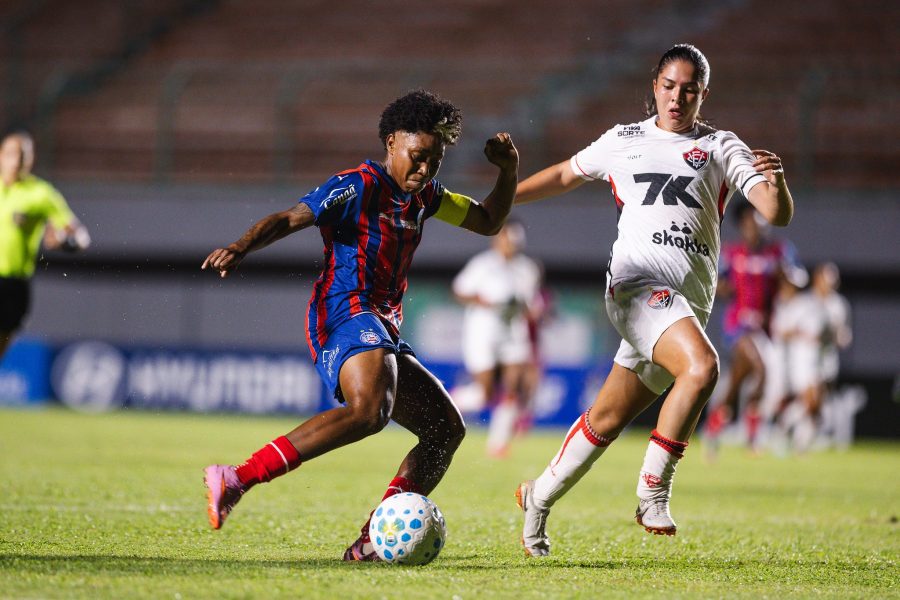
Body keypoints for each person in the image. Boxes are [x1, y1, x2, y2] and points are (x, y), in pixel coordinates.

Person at [201, 90, 519, 561]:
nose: (425, 169)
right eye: (417, 156)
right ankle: (238, 477)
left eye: (435, 160)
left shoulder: (427, 196)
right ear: (392, 142)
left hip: (383, 322)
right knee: (371, 409)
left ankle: (375, 538)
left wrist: (508, 171)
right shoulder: (359, 184)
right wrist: (242, 245)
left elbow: (489, 221)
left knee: (444, 429)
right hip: (343, 308)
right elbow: (292, 217)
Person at [511, 44, 794, 556]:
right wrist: (500, 199)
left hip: (684, 306)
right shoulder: (624, 140)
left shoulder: (720, 146)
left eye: (689, 88)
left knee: (606, 419)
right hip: (636, 287)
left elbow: (775, 213)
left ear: (703, 93)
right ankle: (652, 491)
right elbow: (563, 174)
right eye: (669, 85)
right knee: (703, 369)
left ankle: (538, 496)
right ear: (654, 86)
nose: (677, 97)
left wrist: (778, 185)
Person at [703, 200, 801, 454]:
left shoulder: (779, 252)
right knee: (762, 367)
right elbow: (717, 286)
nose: (753, 228)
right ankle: (752, 434)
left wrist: (785, 279)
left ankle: (715, 424)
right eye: (747, 222)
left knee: (739, 379)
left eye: (757, 221)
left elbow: (795, 284)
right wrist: (724, 288)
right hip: (739, 326)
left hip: (765, 327)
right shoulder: (732, 254)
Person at [451, 219, 543, 457]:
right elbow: (460, 290)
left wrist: (531, 309)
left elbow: (532, 304)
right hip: (483, 330)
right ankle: (452, 401)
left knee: (514, 386)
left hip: (513, 330)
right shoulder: (482, 264)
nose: (509, 245)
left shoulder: (527, 268)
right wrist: (480, 300)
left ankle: (498, 444)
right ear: (497, 240)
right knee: (486, 394)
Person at [0, 131, 90, 361]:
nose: (16, 161)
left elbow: (81, 237)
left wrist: (63, 241)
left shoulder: (41, 194)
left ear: (30, 161)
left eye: (23, 156)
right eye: (11, 154)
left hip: (13, 284)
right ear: (1, 156)